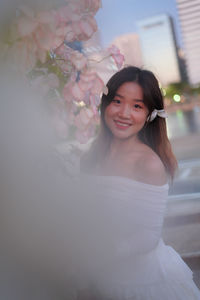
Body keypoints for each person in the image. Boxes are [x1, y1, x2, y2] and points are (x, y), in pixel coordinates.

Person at [79, 66, 200, 299]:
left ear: (149, 114)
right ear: (105, 103)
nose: (124, 113)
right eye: (117, 101)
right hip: (100, 278)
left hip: (144, 284)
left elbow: (148, 237)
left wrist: (96, 253)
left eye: (137, 106)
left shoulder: (149, 163)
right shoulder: (91, 155)